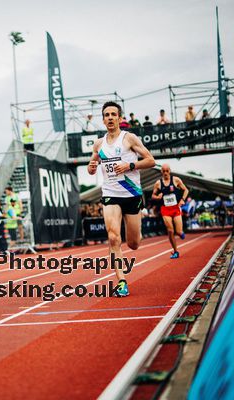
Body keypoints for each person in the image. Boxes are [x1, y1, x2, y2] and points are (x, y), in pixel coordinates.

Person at [87, 101, 155, 297]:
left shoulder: (129, 138)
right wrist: (91, 168)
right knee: (113, 237)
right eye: (106, 114)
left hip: (131, 194)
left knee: (133, 243)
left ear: (119, 118)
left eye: (113, 114)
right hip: (110, 194)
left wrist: (130, 166)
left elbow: (151, 160)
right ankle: (122, 282)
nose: (109, 117)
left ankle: (134, 236)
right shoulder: (99, 144)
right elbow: (92, 165)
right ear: (103, 119)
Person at [151, 164, 189, 259]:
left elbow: (186, 190)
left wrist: (182, 200)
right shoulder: (158, 183)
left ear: (170, 171)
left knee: (179, 231)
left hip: (175, 208)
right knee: (170, 230)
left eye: (167, 171)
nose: (165, 173)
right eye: (163, 171)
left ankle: (181, 233)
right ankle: (176, 251)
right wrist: (157, 197)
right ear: (161, 172)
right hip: (165, 209)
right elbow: (153, 195)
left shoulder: (176, 180)